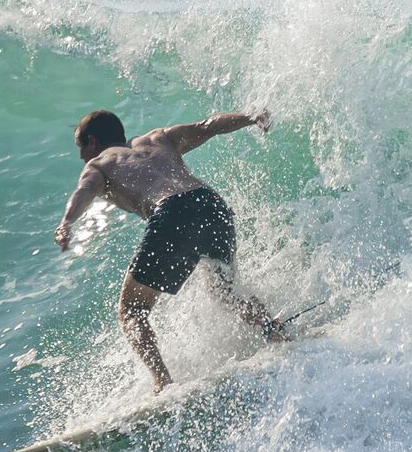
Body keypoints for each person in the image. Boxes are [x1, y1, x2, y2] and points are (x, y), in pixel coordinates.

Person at [54, 104, 291, 393]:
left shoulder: (98, 164)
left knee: (132, 310)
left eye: (80, 147)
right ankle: (274, 332)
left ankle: (162, 382)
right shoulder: (158, 138)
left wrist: (66, 222)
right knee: (225, 292)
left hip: (172, 212)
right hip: (211, 204)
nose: (80, 156)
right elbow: (208, 126)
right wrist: (251, 117)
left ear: (91, 142)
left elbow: (85, 190)